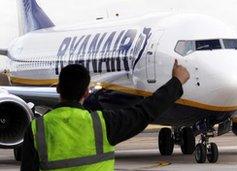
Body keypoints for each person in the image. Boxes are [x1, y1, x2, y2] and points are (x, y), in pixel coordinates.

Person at [21, 59, 190, 170]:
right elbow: (145, 111)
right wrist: (177, 82)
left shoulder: (37, 128)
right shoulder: (102, 124)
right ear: (86, 93)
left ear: (57, 88)